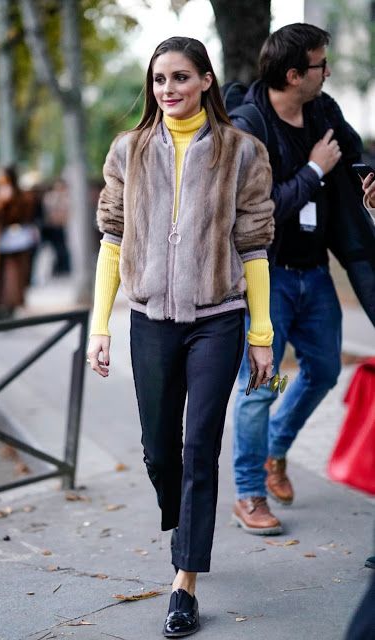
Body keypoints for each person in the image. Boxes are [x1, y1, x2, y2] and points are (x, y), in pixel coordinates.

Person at [87, 36, 274, 637]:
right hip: (150, 321)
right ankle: (183, 513)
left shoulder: (242, 152)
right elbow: (111, 245)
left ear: (207, 82)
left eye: (181, 78)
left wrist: (261, 334)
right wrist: (100, 326)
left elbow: (254, 249)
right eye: (159, 79)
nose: (168, 89)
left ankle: (183, 581)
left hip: (218, 318)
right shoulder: (128, 151)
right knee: (160, 451)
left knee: (198, 449)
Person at [230, 23, 370, 535]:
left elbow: (354, 156)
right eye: (319, 64)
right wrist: (312, 171)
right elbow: (257, 211)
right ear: (293, 75)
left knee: (324, 369)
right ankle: (248, 494)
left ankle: (275, 448)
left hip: (315, 275)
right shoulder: (251, 126)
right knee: (259, 386)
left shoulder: (323, 110)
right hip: (268, 279)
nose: (327, 70)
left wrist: (367, 179)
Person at [0, 166, 38, 320]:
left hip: (14, 245)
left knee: (11, 278)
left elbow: (24, 213)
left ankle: (9, 307)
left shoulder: (21, 196)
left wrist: (7, 203)